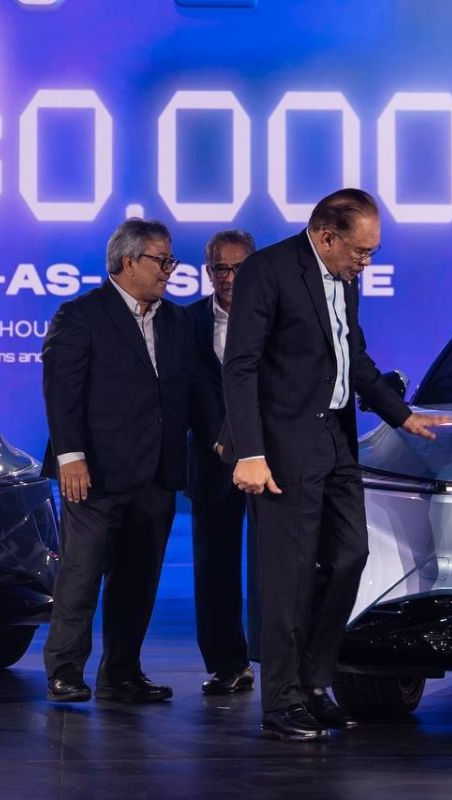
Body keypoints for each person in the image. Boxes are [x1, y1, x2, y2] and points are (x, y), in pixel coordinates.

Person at [222, 188, 452, 741]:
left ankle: (313, 682)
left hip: (336, 441)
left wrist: (402, 415)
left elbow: (354, 359)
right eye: (361, 251)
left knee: (350, 556)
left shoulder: (344, 278)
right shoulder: (268, 271)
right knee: (288, 576)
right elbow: (241, 366)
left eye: (372, 253)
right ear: (327, 237)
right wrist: (249, 452)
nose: (365, 262)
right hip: (281, 448)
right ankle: (281, 701)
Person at [41, 218, 199, 704]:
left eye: (171, 260)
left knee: (138, 580)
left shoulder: (176, 321)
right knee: (82, 574)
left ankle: (122, 673)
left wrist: (222, 442)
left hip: (156, 474)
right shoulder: (81, 315)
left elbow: (192, 394)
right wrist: (70, 457)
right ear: (129, 262)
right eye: (161, 260)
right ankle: (65, 671)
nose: (169, 270)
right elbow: (62, 393)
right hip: (94, 474)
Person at [186, 229, 258, 695]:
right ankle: (228, 664)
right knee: (214, 568)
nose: (229, 277)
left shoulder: (277, 318)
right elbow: (182, 390)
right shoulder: (186, 322)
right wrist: (217, 440)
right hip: (211, 464)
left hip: (270, 460)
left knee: (281, 568)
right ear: (208, 271)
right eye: (220, 269)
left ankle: (290, 666)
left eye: (238, 268)